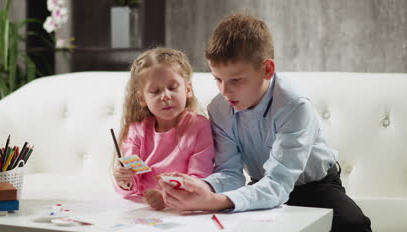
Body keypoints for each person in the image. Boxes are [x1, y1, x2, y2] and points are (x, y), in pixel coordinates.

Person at [158, 13, 371, 231]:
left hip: (316, 187)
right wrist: (202, 187)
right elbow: (230, 173)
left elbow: (279, 184)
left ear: (267, 70)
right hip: (262, 185)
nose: (224, 90)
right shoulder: (219, 108)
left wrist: (215, 201)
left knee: (354, 224)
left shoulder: (294, 106)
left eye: (236, 80)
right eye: (218, 79)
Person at [113, 47, 215, 210]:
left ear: (187, 90)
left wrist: (165, 196)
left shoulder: (199, 127)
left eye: (172, 88)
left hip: (183, 207)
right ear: (142, 99)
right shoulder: (136, 131)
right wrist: (124, 179)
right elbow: (129, 186)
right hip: (143, 210)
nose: (166, 96)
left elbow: (199, 179)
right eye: (155, 91)